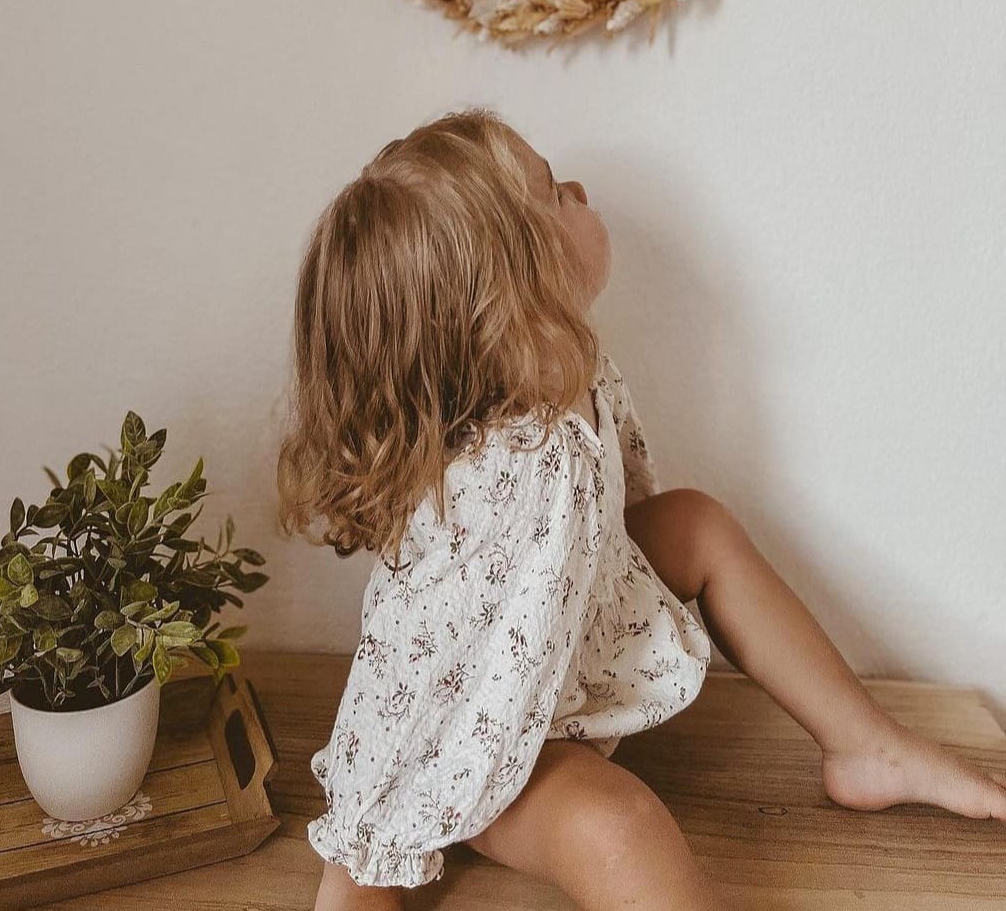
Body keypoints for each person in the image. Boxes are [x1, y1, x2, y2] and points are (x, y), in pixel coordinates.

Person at [277, 107, 1006, 911]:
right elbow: (407, 673)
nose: (582, 192)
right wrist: (361, 863)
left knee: (695, 524)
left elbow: (618, 506)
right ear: (518, 290)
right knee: (620, 826)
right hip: (491, 739)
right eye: (558, 192)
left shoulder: (566, 373)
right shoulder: (494, 488)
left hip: (564, 649)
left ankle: (866, 745)